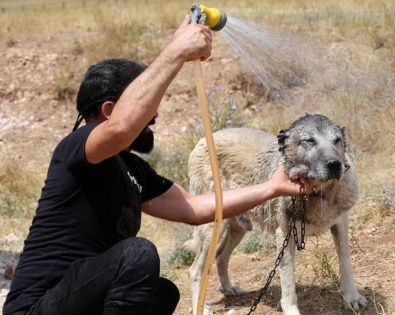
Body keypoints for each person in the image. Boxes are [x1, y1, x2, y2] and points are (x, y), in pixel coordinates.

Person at [2, 15, 309, 315]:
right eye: (147, 108)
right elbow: (121, 128)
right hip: (36, 307)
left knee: (161, 291)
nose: (155, 117)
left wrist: (272, 187)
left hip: (79, 298)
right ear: (109, 110)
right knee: (137, 254)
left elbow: (194, 208)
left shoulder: (134, 170)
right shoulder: (76, 148)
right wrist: (176, 50)